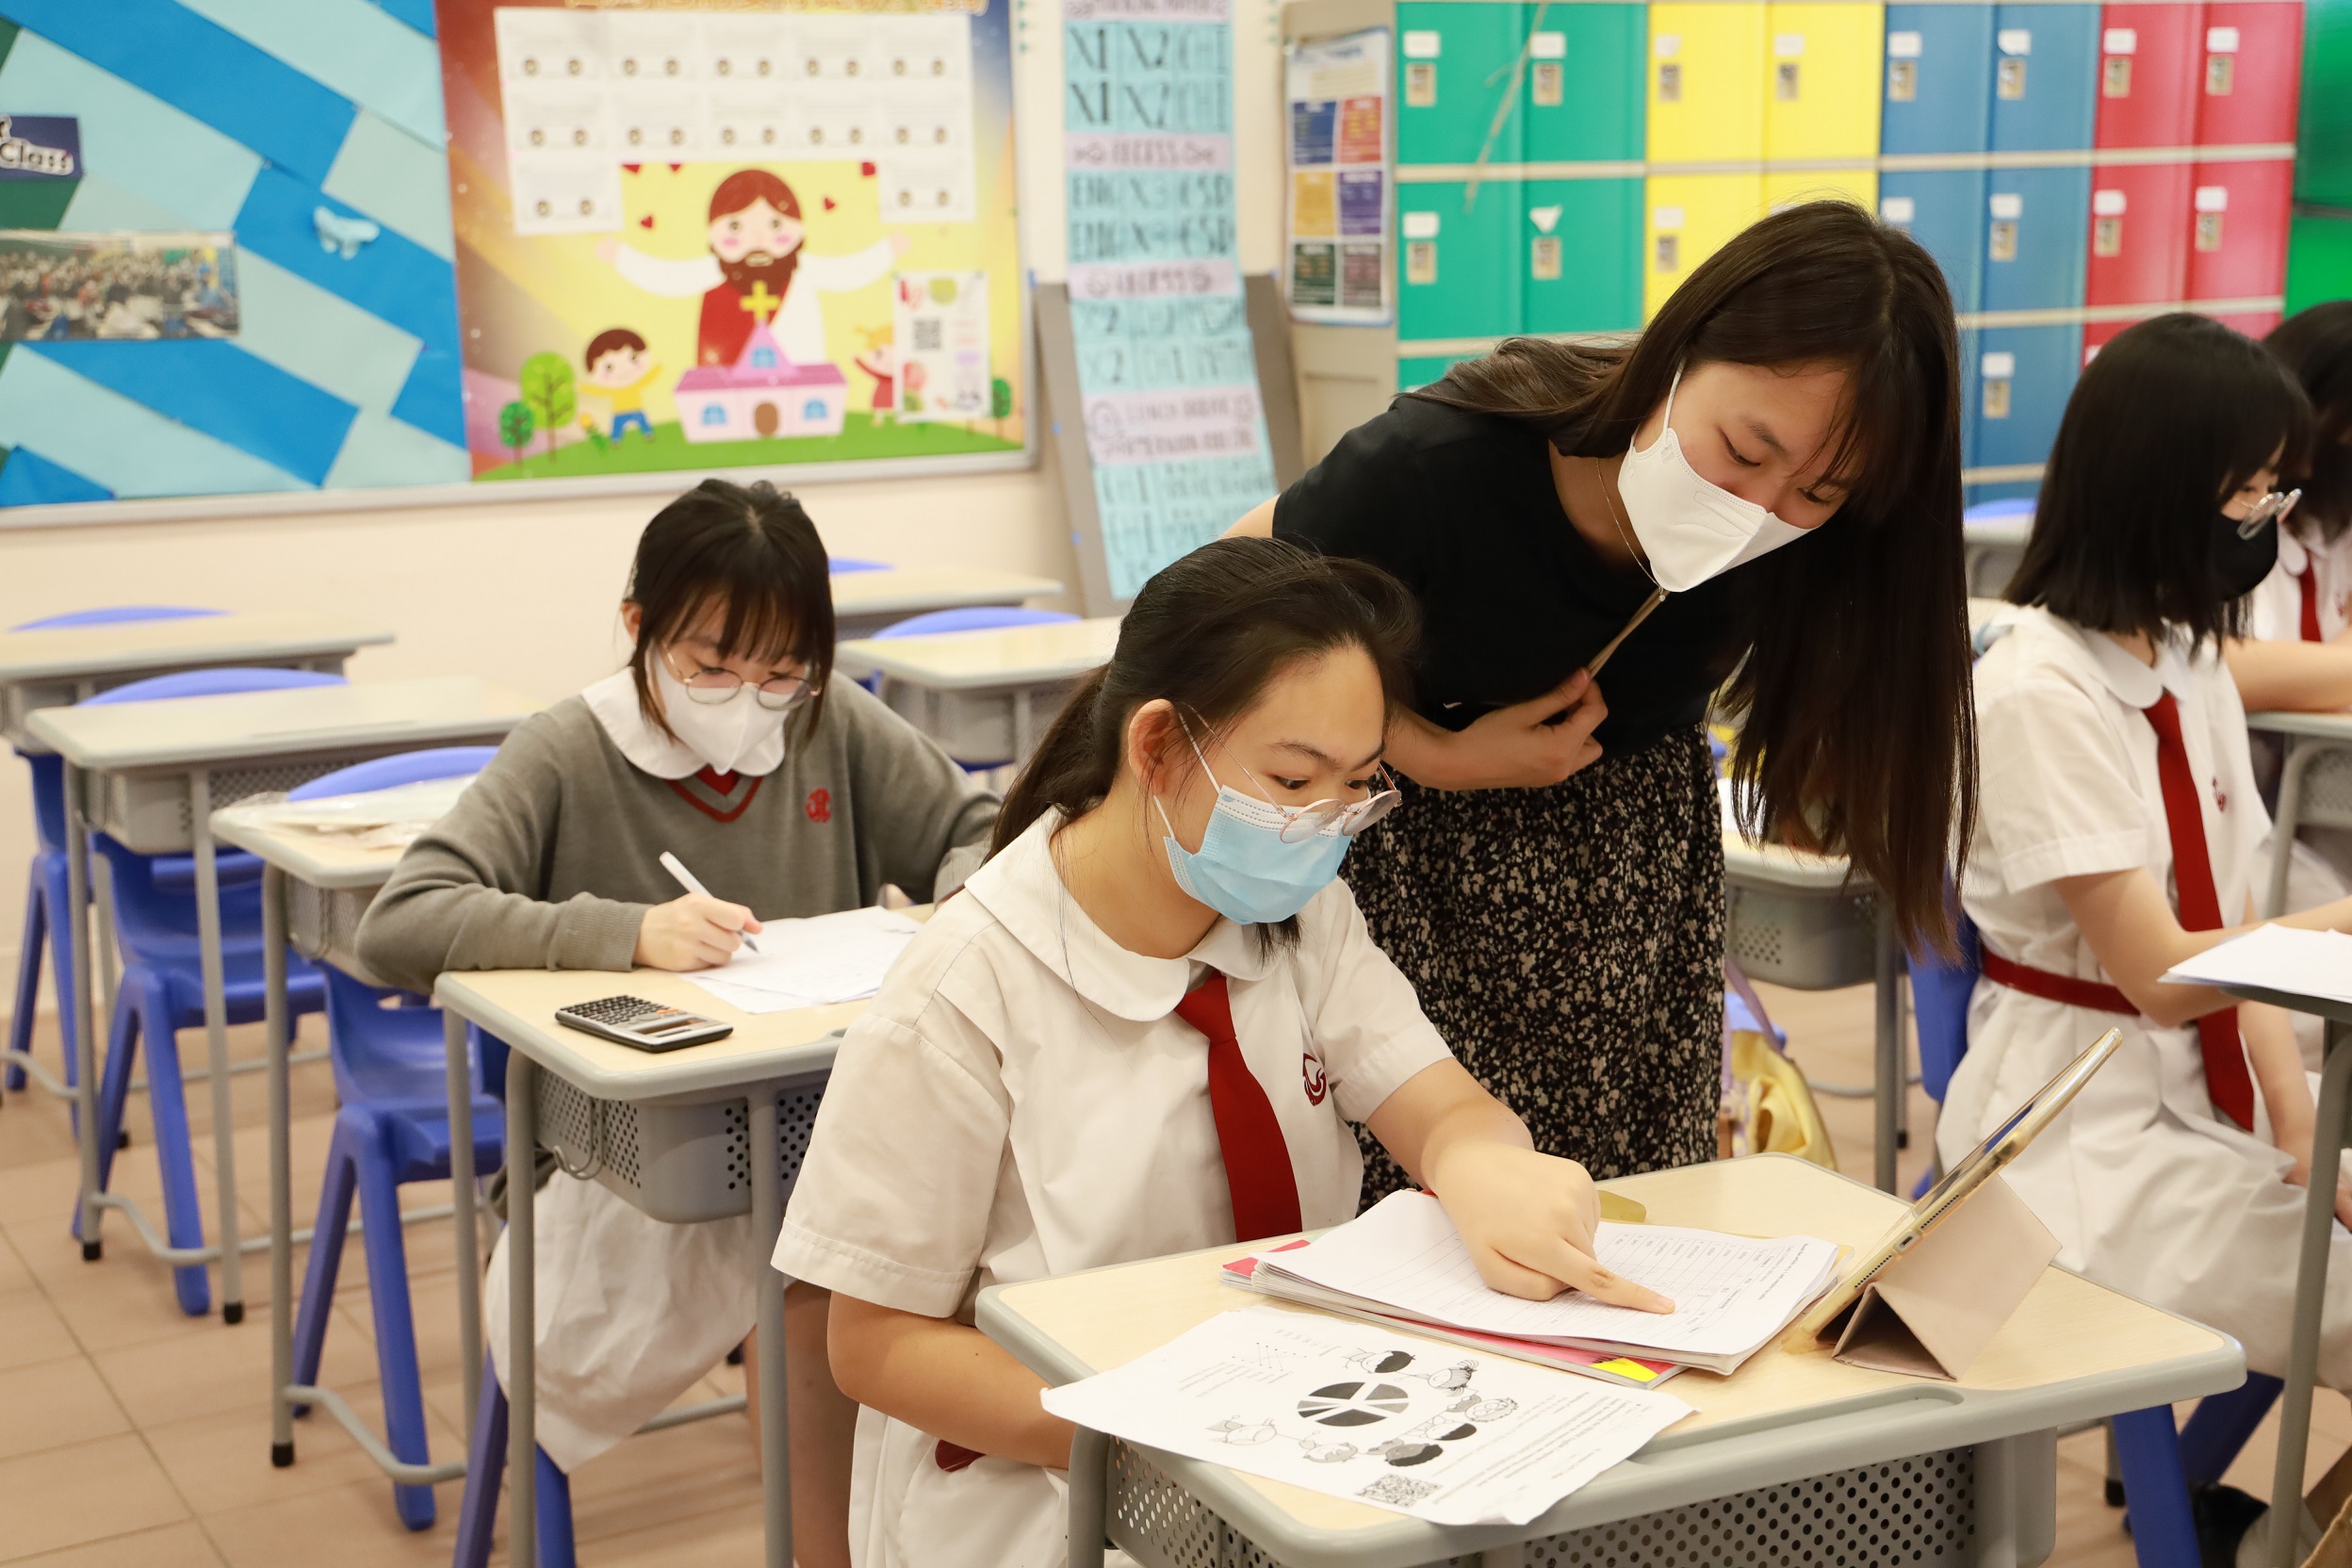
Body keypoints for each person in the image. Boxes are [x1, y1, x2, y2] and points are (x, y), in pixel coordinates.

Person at [776, 537, 1674, 1568]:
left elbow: (1436, 1101)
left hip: (1299, 1447)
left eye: (1358, 785)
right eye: (1291, 779)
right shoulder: (962, 992)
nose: (1324, 824)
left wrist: (1479, 1163)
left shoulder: (1305, 917)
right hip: (1054, 1487)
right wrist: (1161, 1436)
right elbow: (874, 1345)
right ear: (1156, 746)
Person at [1229, 200, 1975, 1192]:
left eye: (1817, 494)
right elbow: (1230, 606)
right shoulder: (1442, 463)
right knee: (1428, 1199)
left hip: (1634, 897)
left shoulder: (1814, 539)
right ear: (1682, 348)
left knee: (1637, 1208)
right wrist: (1433, 753)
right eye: (1743, 451)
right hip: (1416, 883)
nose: (1758, 509)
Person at [356, 479, 996, 1568]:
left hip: (819, 1119)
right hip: (619, 1160)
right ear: (638, 627)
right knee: (827, 1278)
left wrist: (959, 903)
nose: (747, 699)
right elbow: (401, 919)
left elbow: (980, 827)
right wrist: (626, 932)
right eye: (710, 665)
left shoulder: (829, 722)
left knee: (942, 1252)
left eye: (782, 671)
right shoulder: (567, 749)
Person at [1937, 315, 2352, 1555]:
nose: (2268, 517)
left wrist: (2299, 1135)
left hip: (2210, 1108)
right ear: (2161, 488)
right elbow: (2168, 976)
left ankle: (2273, 1531)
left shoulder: (2188, 661)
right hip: (2080, 1140)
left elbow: (2231, 925)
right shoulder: (2035, 688)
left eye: (2278, 489)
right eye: (2250, 489)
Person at [2226, 302, 2352, 909]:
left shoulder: (2333, 525)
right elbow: (2220, 667)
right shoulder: (2234, 529)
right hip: (2241, 817)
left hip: (2306, 811)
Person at [597, 169, 906, 369]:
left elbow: (845, 272)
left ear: (799, 228)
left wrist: (886, 251)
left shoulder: (803, 269)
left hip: (799, 365)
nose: (758, 239)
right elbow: (670, 278)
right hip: (724, 363)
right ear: (711, 233)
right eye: (735, 226)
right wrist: (621, 257)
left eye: (775, 224)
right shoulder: (713, 271)